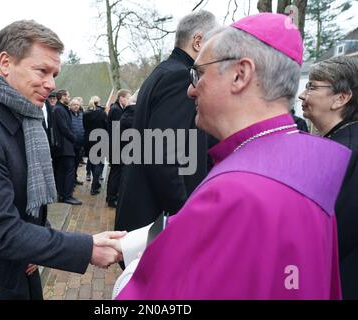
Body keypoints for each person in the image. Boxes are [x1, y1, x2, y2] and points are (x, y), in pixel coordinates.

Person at [116, 13, 350, 300]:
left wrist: (138, 266)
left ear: (240, 74)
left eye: (199, 73)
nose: (191, 89)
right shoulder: (304, 165)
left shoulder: (235, 190)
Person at [0, 20, 124, 300]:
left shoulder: (24, 116)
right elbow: (0, 229)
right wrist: (87, 248)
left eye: (55, 73)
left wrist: (37, 244)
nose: (52, 84)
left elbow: (25, 206)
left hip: (18, 270)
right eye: (42, 71)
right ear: (5, 63)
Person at [115, 10, 218, 233]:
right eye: (214, 43)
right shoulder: (181, 77)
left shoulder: (163, 72)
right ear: (198, 42)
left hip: (145, 207)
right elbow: (163, 154)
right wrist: (183, 212)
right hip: (158, 216)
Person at [299, 55, 358, 299]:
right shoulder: (340, 143)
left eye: (312, 86)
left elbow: (333, 235)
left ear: (341, 98)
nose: (302, 95)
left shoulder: (344, 152)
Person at [52, 90, 82, 205]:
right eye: (67, 96)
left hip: (64, 146)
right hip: (65, 146)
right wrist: (74, 138)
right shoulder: (59, 109)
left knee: (62, 171)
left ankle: (62, 194)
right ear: (62, 97)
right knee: (69, 170)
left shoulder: (60, 109)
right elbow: (64, 128)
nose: (69, 98)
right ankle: (67, 196)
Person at [106, 89, 131, 208]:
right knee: (115, 173)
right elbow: (117, 130)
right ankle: (112, 198)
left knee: (115, 173)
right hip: (116, 147)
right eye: (127, 98)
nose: (129, 101)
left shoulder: (117, 108)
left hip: (116, 146)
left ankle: (110, 196)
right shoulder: (116, 110)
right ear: (121, 98)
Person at [84, 95, 108, 195]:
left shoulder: (86, 114)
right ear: (98, 102)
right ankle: (94, 185)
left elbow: (84, 127)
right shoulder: (102, 113)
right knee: (99, 163)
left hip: (89, 139)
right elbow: (106, 126)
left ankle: (95, 183)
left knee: (93, 162)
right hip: (100, 139)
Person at [70, 97, 85, 187]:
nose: (76, 106)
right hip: (72, 143)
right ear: (70, 106)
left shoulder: (81, 114)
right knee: (71, 164)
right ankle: (71, 181)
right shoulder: (68, 114)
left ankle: (74, 178)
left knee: (76, 163)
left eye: (77, 105)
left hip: (80, 143)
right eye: (74, 105)